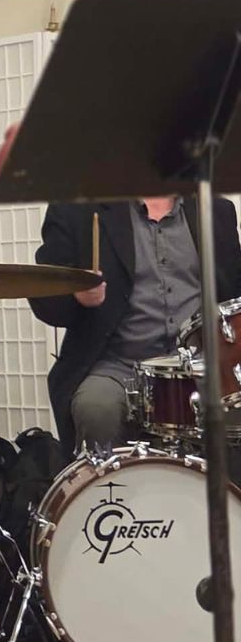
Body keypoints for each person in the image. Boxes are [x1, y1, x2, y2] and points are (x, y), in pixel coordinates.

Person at [29, 194, 241, 452]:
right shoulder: (76, 211)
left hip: (202, 364)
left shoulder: (216, 210)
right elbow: (46, 298)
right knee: (96, 408)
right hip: (118, 365)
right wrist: (76, 294)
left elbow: (234, 293)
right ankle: (106, 479)